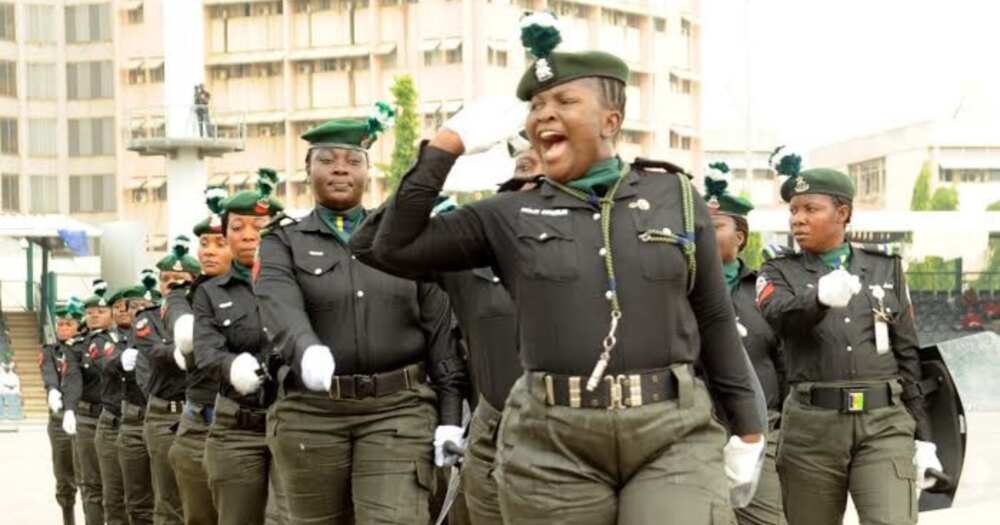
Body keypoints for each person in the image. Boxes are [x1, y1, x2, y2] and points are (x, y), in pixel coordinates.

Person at [354, 12, 766, 524]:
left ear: (610, 121)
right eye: (536, 105)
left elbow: (715, 316)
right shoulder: (507, 213)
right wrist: (445, 147)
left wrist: (748, 428)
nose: (543, 115)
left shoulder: (674, 196)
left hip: (671, 432)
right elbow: (390, 246)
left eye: (564, 101)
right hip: (551, 440)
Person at [253, 105, 467, 525]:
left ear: (368, 172)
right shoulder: (283, 242)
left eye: (353, 161)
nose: (340, 170)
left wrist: (449, 417)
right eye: (327, 160)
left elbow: (440, 330)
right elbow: (279, 304)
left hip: (398, 410)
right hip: (311, 412)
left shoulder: (403, 238)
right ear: (307, 170)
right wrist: (305, 348)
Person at [350, 132, 541, 525]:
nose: (530, 188)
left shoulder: (600, 248)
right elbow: (368, 245)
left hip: (573, 432)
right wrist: (431, 179)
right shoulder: (471, 258)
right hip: (496, 430)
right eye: (519, 175)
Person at [757, 154, 943, 525]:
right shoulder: (778, 269)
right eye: (793, 210)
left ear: (842, 212)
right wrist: (817, 299)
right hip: (811, 428)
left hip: (884, 424)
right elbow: (777, 318)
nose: (798, 218)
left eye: (811, 208)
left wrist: (924, 437)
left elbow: (907, 355)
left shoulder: (885, 267)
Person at [193, 168, 287, 525]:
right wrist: (232, 366)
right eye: (237, 227)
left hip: (297, 422)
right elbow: (205, 352)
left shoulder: (302, 281)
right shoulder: (210, 293)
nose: (248, 235)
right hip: (237, 430)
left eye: (259, 226)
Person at [703, 164, 787, 525]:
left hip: (758, 430)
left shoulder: (765, 290)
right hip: (699, 427)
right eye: (700, 226)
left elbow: (786, 362)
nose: (704, 233)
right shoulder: (678, 289)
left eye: (716, 226)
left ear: (740, 237)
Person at [168, 188, 232, 525]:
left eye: (219, 243)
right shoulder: (190, 294)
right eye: (204, 244)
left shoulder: (263, 287)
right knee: (199, 516)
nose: (208, 252)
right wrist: (181, 325)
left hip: (243, 419)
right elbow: (175, 307)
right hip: (199, 417)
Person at [140, 237, 203, 525]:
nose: (172, 284)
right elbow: (151, 350)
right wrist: (181, 351)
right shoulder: (149, 317)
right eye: (166, 279)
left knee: (203, 499)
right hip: (164, 416)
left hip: (200, 412)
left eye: (180, 279)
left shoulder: (206, 311)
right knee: (168, 500)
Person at [63, 287, 110, 525]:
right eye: (90, 312)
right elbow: (72, 379)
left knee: (117, 486)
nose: (94, 315)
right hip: (89, 419)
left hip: (116, 418)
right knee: (91, 484)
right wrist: (69, 408)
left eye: (100, 311)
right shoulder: (77, 346)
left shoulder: (120, 341)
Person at [117, 271, 161, 525]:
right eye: (135, 306)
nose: (140, 311)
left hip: (162, 417)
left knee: (165, 498)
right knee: (137, 500)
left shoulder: (163, 334)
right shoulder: (122, 339)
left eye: (147, 306)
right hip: (134, 420)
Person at [89, 285, 130, 525]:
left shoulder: (153, 334)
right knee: (114, 496)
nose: (124, 311)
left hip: (143, 421)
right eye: (117, 307)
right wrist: (121, 359)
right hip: (113, 422)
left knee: (146, 498)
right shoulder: (102, 339)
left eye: (130, 306)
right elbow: (103, 362)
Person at [40, 298, 84, 525]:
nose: (63, 328)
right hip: (59, 421)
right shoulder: (50, 350)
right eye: (61, 324)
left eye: (69, 324)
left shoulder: (86, 347)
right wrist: (52, 389)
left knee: (90, 475)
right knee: (63, 474)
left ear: (79, 325)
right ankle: (68, 519)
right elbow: (48, 369)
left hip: (84, 417)